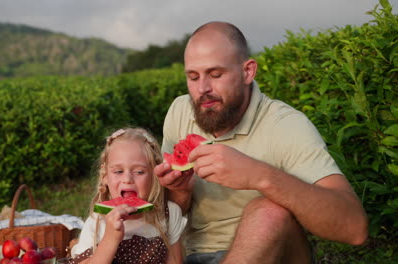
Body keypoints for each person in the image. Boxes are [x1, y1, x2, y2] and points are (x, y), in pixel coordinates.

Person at [154, 21, 368, 264]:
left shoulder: (286, 126)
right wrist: (180, 192)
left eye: (216, 75)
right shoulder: (180, 111)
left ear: (248, 71)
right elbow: (170, 216)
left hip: (271, 255)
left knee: (268, 211)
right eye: (193, 77)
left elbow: (355, 229)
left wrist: (260, 176)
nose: (203, 88)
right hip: (191, 256)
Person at [70, 128, 187, 264]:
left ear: (154, 175)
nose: (127, 179)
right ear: (105, 176)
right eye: (118, 171)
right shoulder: (97, 221)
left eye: (139, 172)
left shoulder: (169, 214)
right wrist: (110, 238)